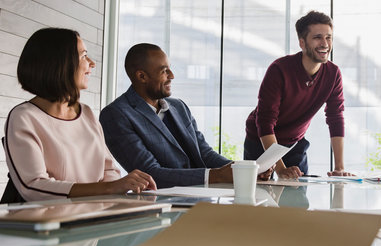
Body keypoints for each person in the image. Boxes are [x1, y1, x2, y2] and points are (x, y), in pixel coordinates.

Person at [2, 28, 155, 202]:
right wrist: (109, 188)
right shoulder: (24, 117)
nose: (91, 63)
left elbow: (109, 170)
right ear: (59, 63)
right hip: (47, 222)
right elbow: (34, 186)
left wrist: (113, 192)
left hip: (90, 215)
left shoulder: (87, 113)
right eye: (83, 56)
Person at [99, 44, 271, 188]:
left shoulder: (178, 106)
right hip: (163, 205)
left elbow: (204, 153)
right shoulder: (116, 115)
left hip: (204, 195)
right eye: (164, 71)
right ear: (141, 76)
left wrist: (244, 170)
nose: (172, 76)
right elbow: (150, 174)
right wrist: (216, 176)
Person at [244, 10, 352, 178]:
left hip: (295, 143)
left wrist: (339, 167)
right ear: (302, 43)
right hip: (261, 142)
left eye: (328, 37)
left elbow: (335, 117)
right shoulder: (279, 69)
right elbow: (265, 122)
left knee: (297, 201)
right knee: (259, 198)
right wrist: (280, 169)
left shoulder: (333, 73)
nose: (325, 43)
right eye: (317, 37)